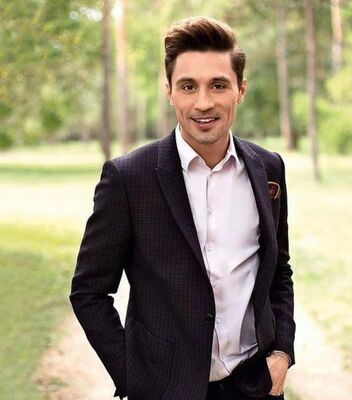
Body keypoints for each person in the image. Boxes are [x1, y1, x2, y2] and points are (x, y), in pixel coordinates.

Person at [70, 16, 295, 400]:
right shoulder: (128, 178)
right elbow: (89, 292)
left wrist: (282, 353)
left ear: (240, 89)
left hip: (254, 386)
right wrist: (134, 378)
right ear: (170, 91)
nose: (203, 103)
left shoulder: (268, 168)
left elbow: (279, 270)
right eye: (188, 86)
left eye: (218, 85)